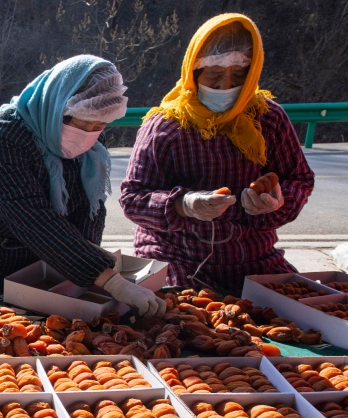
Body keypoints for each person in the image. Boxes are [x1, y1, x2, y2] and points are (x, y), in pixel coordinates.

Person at [0, 55, 166, 318]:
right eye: (82, 123)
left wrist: (88, 261)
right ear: (57, 106)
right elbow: (34, 219)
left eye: (100, 125)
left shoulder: (87, 140)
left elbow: (88, 206)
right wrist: (109, 279)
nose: (91, 133)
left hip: (48, 255)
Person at [120, 13, 315, 293]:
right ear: (194, 73)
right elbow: (133, 198)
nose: (225, 87)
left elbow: (298, 178)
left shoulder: (268, 118)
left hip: (253, 255)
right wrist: (183, 204)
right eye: (214, 76)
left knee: (296, 315)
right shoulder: (166, 125)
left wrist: (277, 201)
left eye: (238, 77)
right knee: (186, 322)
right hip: (176, 256)